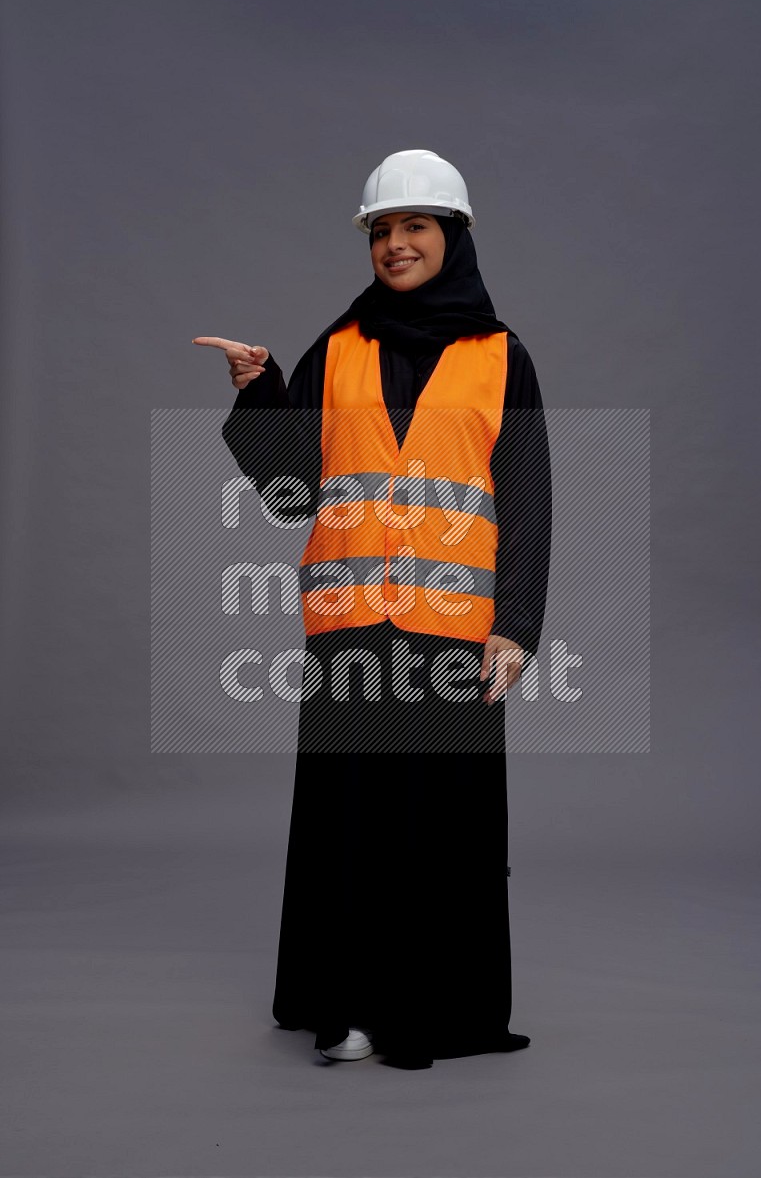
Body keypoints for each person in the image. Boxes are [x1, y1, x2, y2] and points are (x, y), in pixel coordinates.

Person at [194, 149, 552, 1070]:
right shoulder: (338, 348)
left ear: (454, 236)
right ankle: (347, 1007)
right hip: (351, 630)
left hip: (456, 637)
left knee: (446, 833)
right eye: (382, 231)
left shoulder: (502, 357)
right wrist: (259, 395)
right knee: (351, 827)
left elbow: (527, 494)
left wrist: (516, 624)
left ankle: (434, 1010)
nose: (395, 245)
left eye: (414, 228)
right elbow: (288, 495)